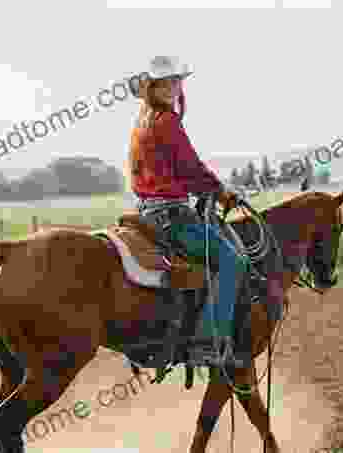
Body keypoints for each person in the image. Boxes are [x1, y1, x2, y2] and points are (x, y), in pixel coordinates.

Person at [128, 56, 252, 368]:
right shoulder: (167, 122)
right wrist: (223, 193)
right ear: (153, 87)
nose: (173, 87)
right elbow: (190, 169)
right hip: (170, 215)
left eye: (176, 81)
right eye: (166, 82)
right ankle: (208, 342)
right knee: (232, 261)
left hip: (145, 212)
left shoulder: (143, 121)